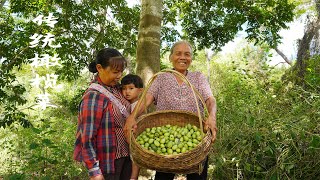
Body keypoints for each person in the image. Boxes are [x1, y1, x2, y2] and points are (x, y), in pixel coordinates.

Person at [124, 40, 217, 180]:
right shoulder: (161, 77)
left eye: (187, 54)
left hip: (196, 140)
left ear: (191, 58)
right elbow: (146, 99)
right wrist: (132, 117)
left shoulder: (198, 77)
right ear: (170, 57)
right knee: (163, 176)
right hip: (165, 141)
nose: (183, 57)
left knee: (198, 176)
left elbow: (210, 99)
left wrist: (212, 117)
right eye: (178, 53)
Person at [73, 48, 132, 180]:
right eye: (115, 72)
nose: (119, 76)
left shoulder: (117, 89)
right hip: (109, 164)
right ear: (99, 68)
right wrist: (95, 172)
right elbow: (87, 139)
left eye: (121, 72)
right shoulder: (93, 97)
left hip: (126, 158)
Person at [121, 74, 144, 180]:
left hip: (136, 138)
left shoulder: (139, 105)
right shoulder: (125, 104)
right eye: (124, 88)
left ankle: (133, 177)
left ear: (140, 90)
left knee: (135, 158)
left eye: (131, 88)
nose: (127, 92)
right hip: (126, 140)